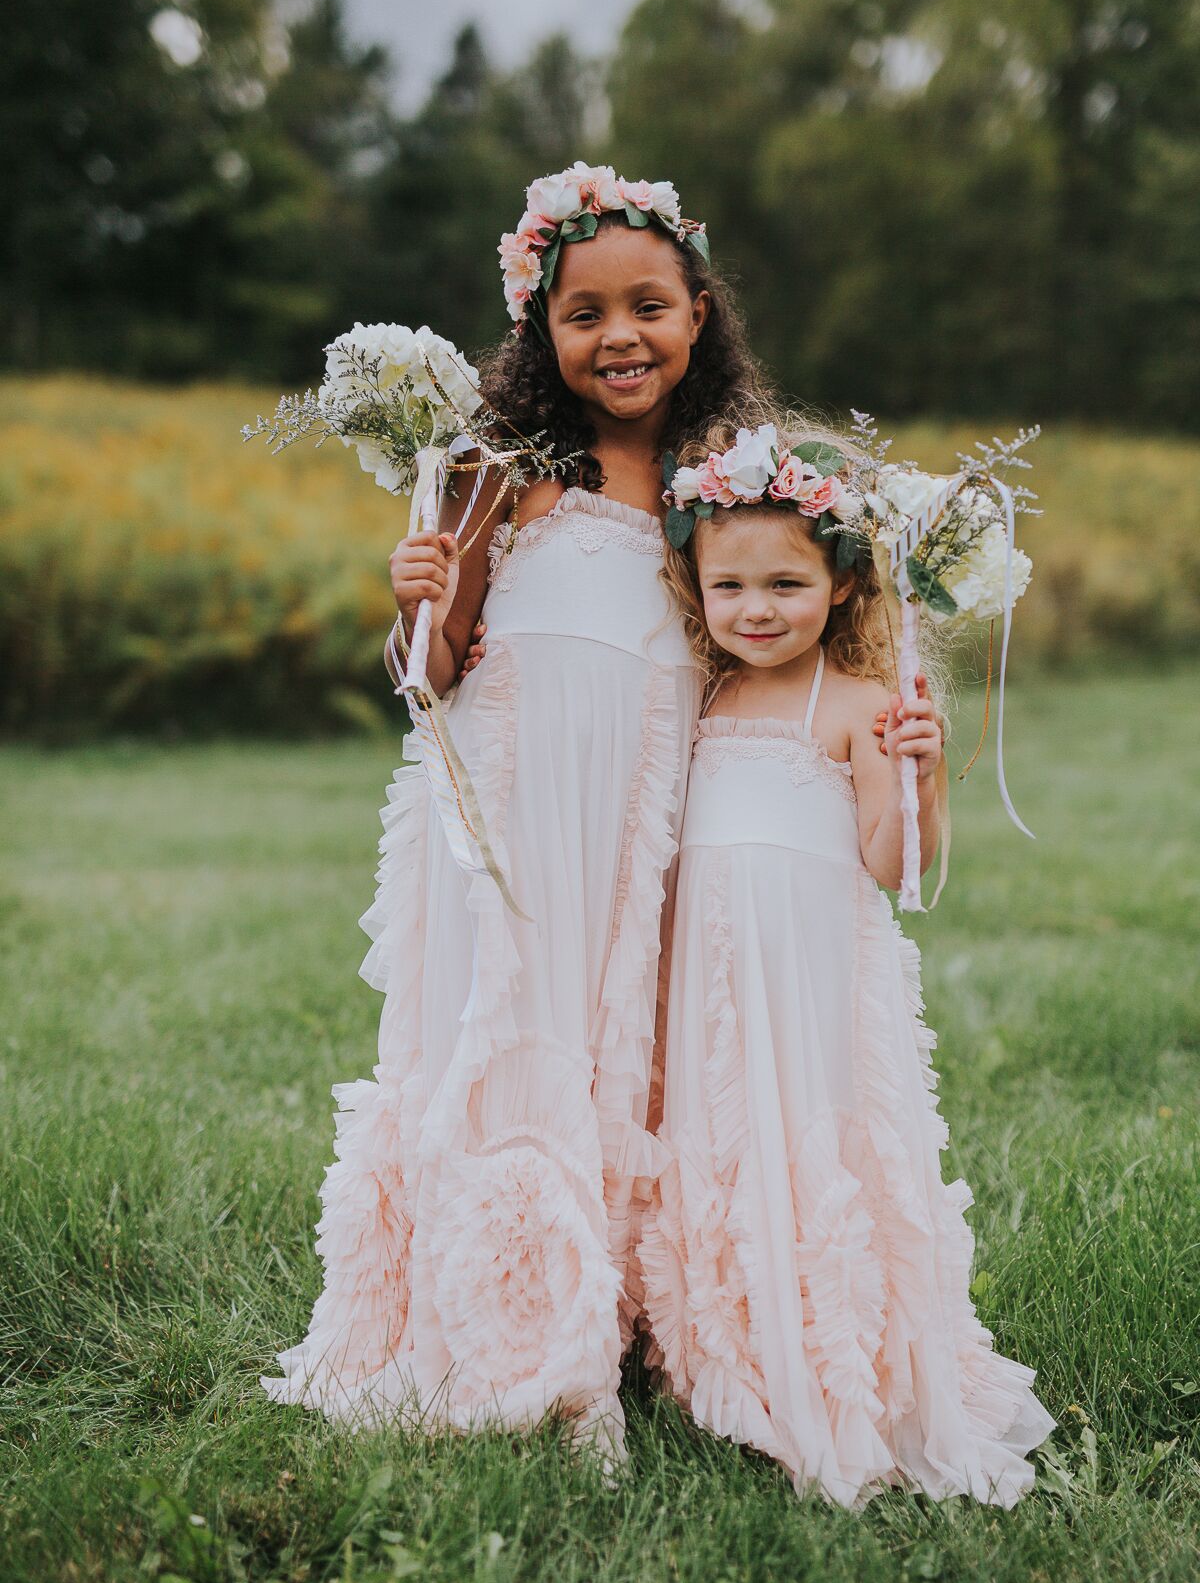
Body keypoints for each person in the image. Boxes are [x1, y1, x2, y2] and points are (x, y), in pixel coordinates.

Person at [260, 164, 768, 1461]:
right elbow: (423, 674)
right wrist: (415, 596)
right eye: (584, 312)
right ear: (541, 332)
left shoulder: (721, 486)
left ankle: (611, 1322)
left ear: (698, 313)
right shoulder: (498, 470)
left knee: (620, 1042)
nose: (619, 335)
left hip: (640, 819)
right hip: (511, 811)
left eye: (647, 304)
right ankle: (495, 1334)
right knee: (510, 1034)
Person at [640, 418, 1055, 1507]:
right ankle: (723, 1355)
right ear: (697, 587)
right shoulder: (702, 696)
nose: (757, 609)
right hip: (713, 985)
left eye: (785, 583)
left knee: (806, 1142)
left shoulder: (862, 705)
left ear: (841, 584)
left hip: (811, 977)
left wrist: (918, 776)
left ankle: (825, 1352)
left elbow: (887, 866)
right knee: (721, 1137)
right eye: (730, 587)